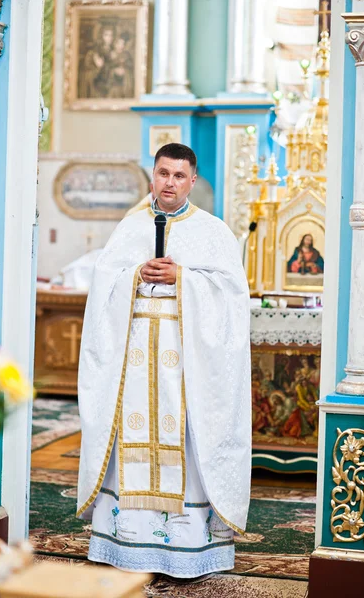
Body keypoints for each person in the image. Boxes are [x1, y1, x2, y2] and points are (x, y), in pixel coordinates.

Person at [77, 143, 251, 578]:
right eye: (163, 173)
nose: (169, 182)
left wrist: (184, 278)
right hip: (133, 362)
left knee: (190, 439)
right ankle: (128, 542)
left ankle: (188, 548)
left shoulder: (213, 232)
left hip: (187, 365)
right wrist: (135, 274)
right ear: (152, 177)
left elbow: (233, 297)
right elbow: (103, 285)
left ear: (193, 181)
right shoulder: (130, 227)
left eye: (179, 175)